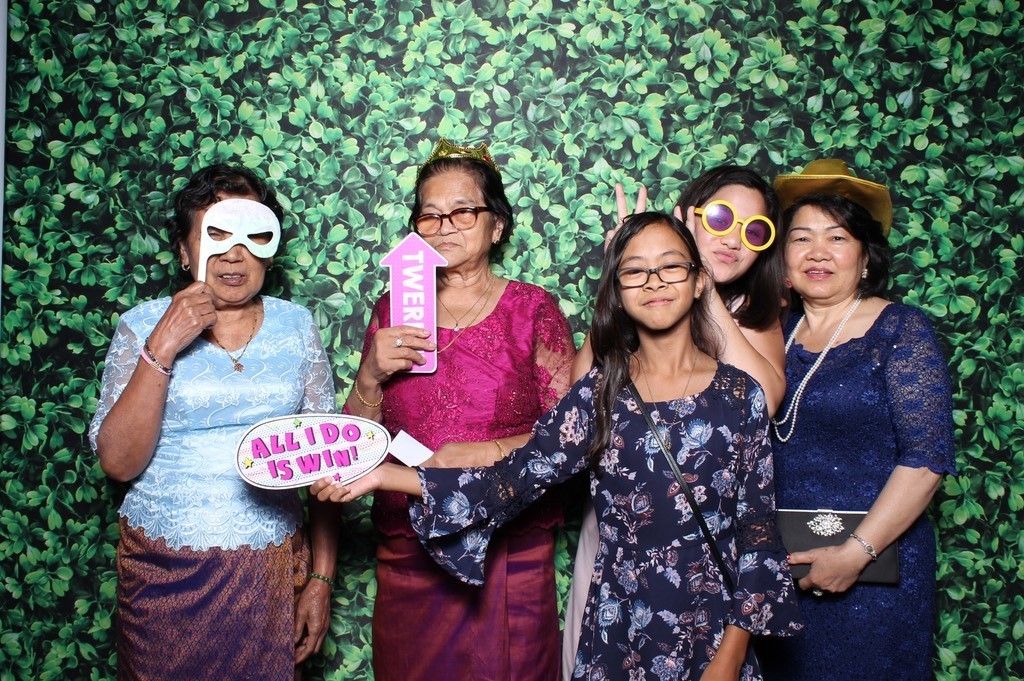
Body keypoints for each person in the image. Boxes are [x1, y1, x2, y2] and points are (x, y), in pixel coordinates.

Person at [317, 211, 803, 680]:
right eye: (635, 270)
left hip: (711, 629)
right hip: (618, 629)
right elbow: (513, 479)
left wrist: (730, 655)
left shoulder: (739, 395)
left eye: (671, 266)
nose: (654, 282)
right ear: (617, 291)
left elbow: (757, 531)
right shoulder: (599, 393)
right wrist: (384, 476)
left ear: (699, 282)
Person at [89, 164, 339, 680]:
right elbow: (117, 463)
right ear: (184, 251)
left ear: (270, 247)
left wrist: (321, 578)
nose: (234, 254)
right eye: (216, 234)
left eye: (252, 235)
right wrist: (162, 346)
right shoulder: (140, 324)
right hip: (163, 570)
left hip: (271, 572)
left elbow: (326, 462)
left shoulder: (297, 325)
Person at [342, 138, 576, 681]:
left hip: (507, 549)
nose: (444, 226)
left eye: (463, 211)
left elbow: (569, 438)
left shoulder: (533, 310)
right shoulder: (392, 311)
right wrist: (369, 375)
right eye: (430, 215)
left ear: (497, 226)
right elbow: (355, 444)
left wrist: (478, 451)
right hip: (411, 550)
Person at [563, 166, 788, 675]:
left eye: (755, 231)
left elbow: (764, 399)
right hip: (623, 534)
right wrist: (621, 275)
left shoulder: (754, 313)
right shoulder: (647, 297)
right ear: (691, 214)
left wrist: (698, 284)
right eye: (722, 218)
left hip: (705, 552)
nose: (733, 238)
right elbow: (580, 402)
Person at [755, 159, 957, 680]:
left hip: (875, 574)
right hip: (783, 573)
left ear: (865, 257)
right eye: (801, 238)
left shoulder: (900, 330)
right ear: (782, 254)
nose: (817, 252)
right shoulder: (771, 332)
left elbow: (927, 459)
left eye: (837, 238)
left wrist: (855, 553)